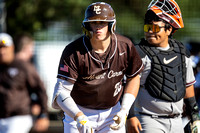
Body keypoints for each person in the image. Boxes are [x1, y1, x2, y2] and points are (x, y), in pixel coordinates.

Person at [51, 2, 143, 133]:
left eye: (102, 23)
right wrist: (79, 117)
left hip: (112, 111)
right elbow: (61, 92)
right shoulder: (73, 51)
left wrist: (124, 110)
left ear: (111, 25)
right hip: (79, 110)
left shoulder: (125, 46)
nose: (98, 27)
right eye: (94, 23)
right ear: (87, 25)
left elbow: (134, 77)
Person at [126, 0, 200, 133]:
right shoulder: (139, 53)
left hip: (177, 121)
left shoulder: (182, 52)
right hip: (148, 120)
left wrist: (195, 116)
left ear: (169, 29)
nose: (149, 32)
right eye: (147, 28)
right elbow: (128, 88)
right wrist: (130, 116)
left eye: (154, 28)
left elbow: (188, 86)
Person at [0, 33, 48, 133]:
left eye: (5, 47)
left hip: (17, 118)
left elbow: (40, 89)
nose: (2, 51)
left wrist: (43, 114)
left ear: (12, 47)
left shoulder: (23, 67)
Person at [13, 33, 50, 132]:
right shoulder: (26, 67)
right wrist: (43, 113)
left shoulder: (9, 65)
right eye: (31, 48)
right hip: (17, 117)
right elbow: (41, 90)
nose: (32, 52)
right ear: (25, 48)